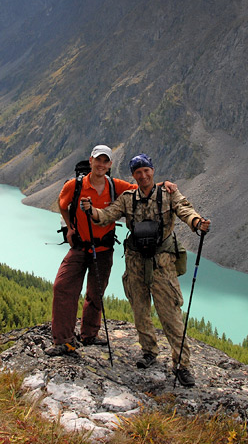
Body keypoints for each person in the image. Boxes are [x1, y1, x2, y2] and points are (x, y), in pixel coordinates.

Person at [81, 153, 210, 387]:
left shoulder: (169, 194)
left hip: (162, 264)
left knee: (170, 314)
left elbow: (184, 209)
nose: (143, 175)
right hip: (135, 262)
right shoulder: (127, 198)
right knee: (140, 310)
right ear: (133, 175)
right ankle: (149, 351)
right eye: (138, 172)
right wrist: (92, 212)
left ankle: (182, 365)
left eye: (146, 170)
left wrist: (196, 222)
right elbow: (107, 215)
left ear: (153, 170)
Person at [45, 145, 177, 357]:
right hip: (80, 246)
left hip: (104, 248)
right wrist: (70, 227)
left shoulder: (116, 186)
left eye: (106, 161)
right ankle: (63, 340)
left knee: (96, 292)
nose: (101, 165)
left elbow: (144, 187)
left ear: (110, 165)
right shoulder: (75, 186)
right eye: (98, 160)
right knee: (63, 288)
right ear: (91, 161)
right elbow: (62, 204)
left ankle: (89, 334)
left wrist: (164, 184)